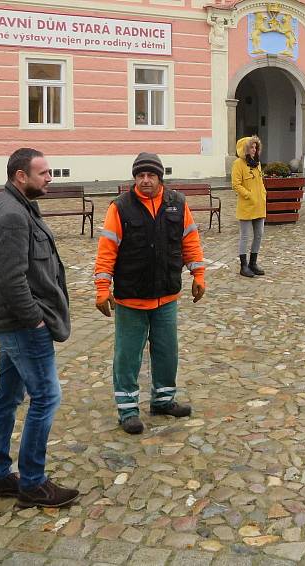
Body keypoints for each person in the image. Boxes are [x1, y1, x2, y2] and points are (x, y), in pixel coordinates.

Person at [0, 148, 79, 508]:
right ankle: (33, 483)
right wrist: (35, 319)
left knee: (8, 398)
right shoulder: (11, 215)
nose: (50, 177)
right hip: (23, 326)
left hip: (15, 323)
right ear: (21, 176)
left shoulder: (19, 205)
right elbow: (10, 279)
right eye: (43, 172)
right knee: (46, 397)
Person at [94, 152, 206, 435]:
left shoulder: (177, 205)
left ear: (160, 178)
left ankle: (163, 400)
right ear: (135, 178)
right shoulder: (120, 208)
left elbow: (190, 240)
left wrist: (199, 274)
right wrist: (101, 288)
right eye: (140, 176)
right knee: (128, 356)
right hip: (131, 297)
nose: (145, 180)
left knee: (167, 352)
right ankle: (128, 409)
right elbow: (107, 251)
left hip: (166, 296)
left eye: (151, 175)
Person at [231, 136, 266, 277]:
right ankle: (243, 266)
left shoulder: (257, 163)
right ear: (245, 149)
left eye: (256, 147)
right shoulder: (238, 164)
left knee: (259, 234)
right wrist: (248, 195)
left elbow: (260, 181)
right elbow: (236, 184)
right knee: (245, 236)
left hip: (259, 205)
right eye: (251, 147)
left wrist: (263, 194)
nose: (254, 150)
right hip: (246, 205)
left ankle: (253, 263)